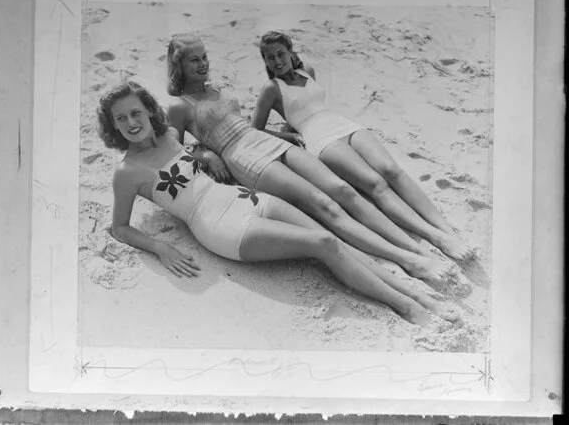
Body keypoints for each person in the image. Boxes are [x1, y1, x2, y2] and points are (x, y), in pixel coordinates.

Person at [97, 79, 462, 327]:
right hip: (219, 225)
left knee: (333, 235)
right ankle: (407, 305)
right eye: (121, 119)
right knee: (323, 244)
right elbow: (120, 227)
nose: (131, 122)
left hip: (243, 197)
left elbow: (194, 145)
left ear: (147, 110)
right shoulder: (126, 173)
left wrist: (207, 153)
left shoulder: (168, 137)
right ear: (112, 127)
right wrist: (160, 247)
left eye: (135, 113)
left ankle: (416, 288)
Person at [165, 33, 465, 293]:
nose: (203, 64)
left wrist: (287, 135)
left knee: (343, 191)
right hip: (242, 158)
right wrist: (206, 153)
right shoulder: (179, 107)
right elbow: (175, 154)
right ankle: (411, 258)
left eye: (204, 57)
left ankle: (427, 241)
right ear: (179, 65)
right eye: (194, 60)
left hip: (265, 142)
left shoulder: (215, 89)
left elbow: (247, 124)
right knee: (324, 206)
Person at [254, 30, 475, 263]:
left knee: (391, 171)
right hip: (319, 138)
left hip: (342, 124)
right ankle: (434, 238)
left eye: (280, 54)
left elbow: (311, 103)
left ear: (290, 52)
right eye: (270, 57)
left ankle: (446, 230)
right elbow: (255, 128)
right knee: (375, 184)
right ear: (265, 61)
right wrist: (288, 136)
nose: (277, 61)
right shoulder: (271, 88)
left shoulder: (307, 71)